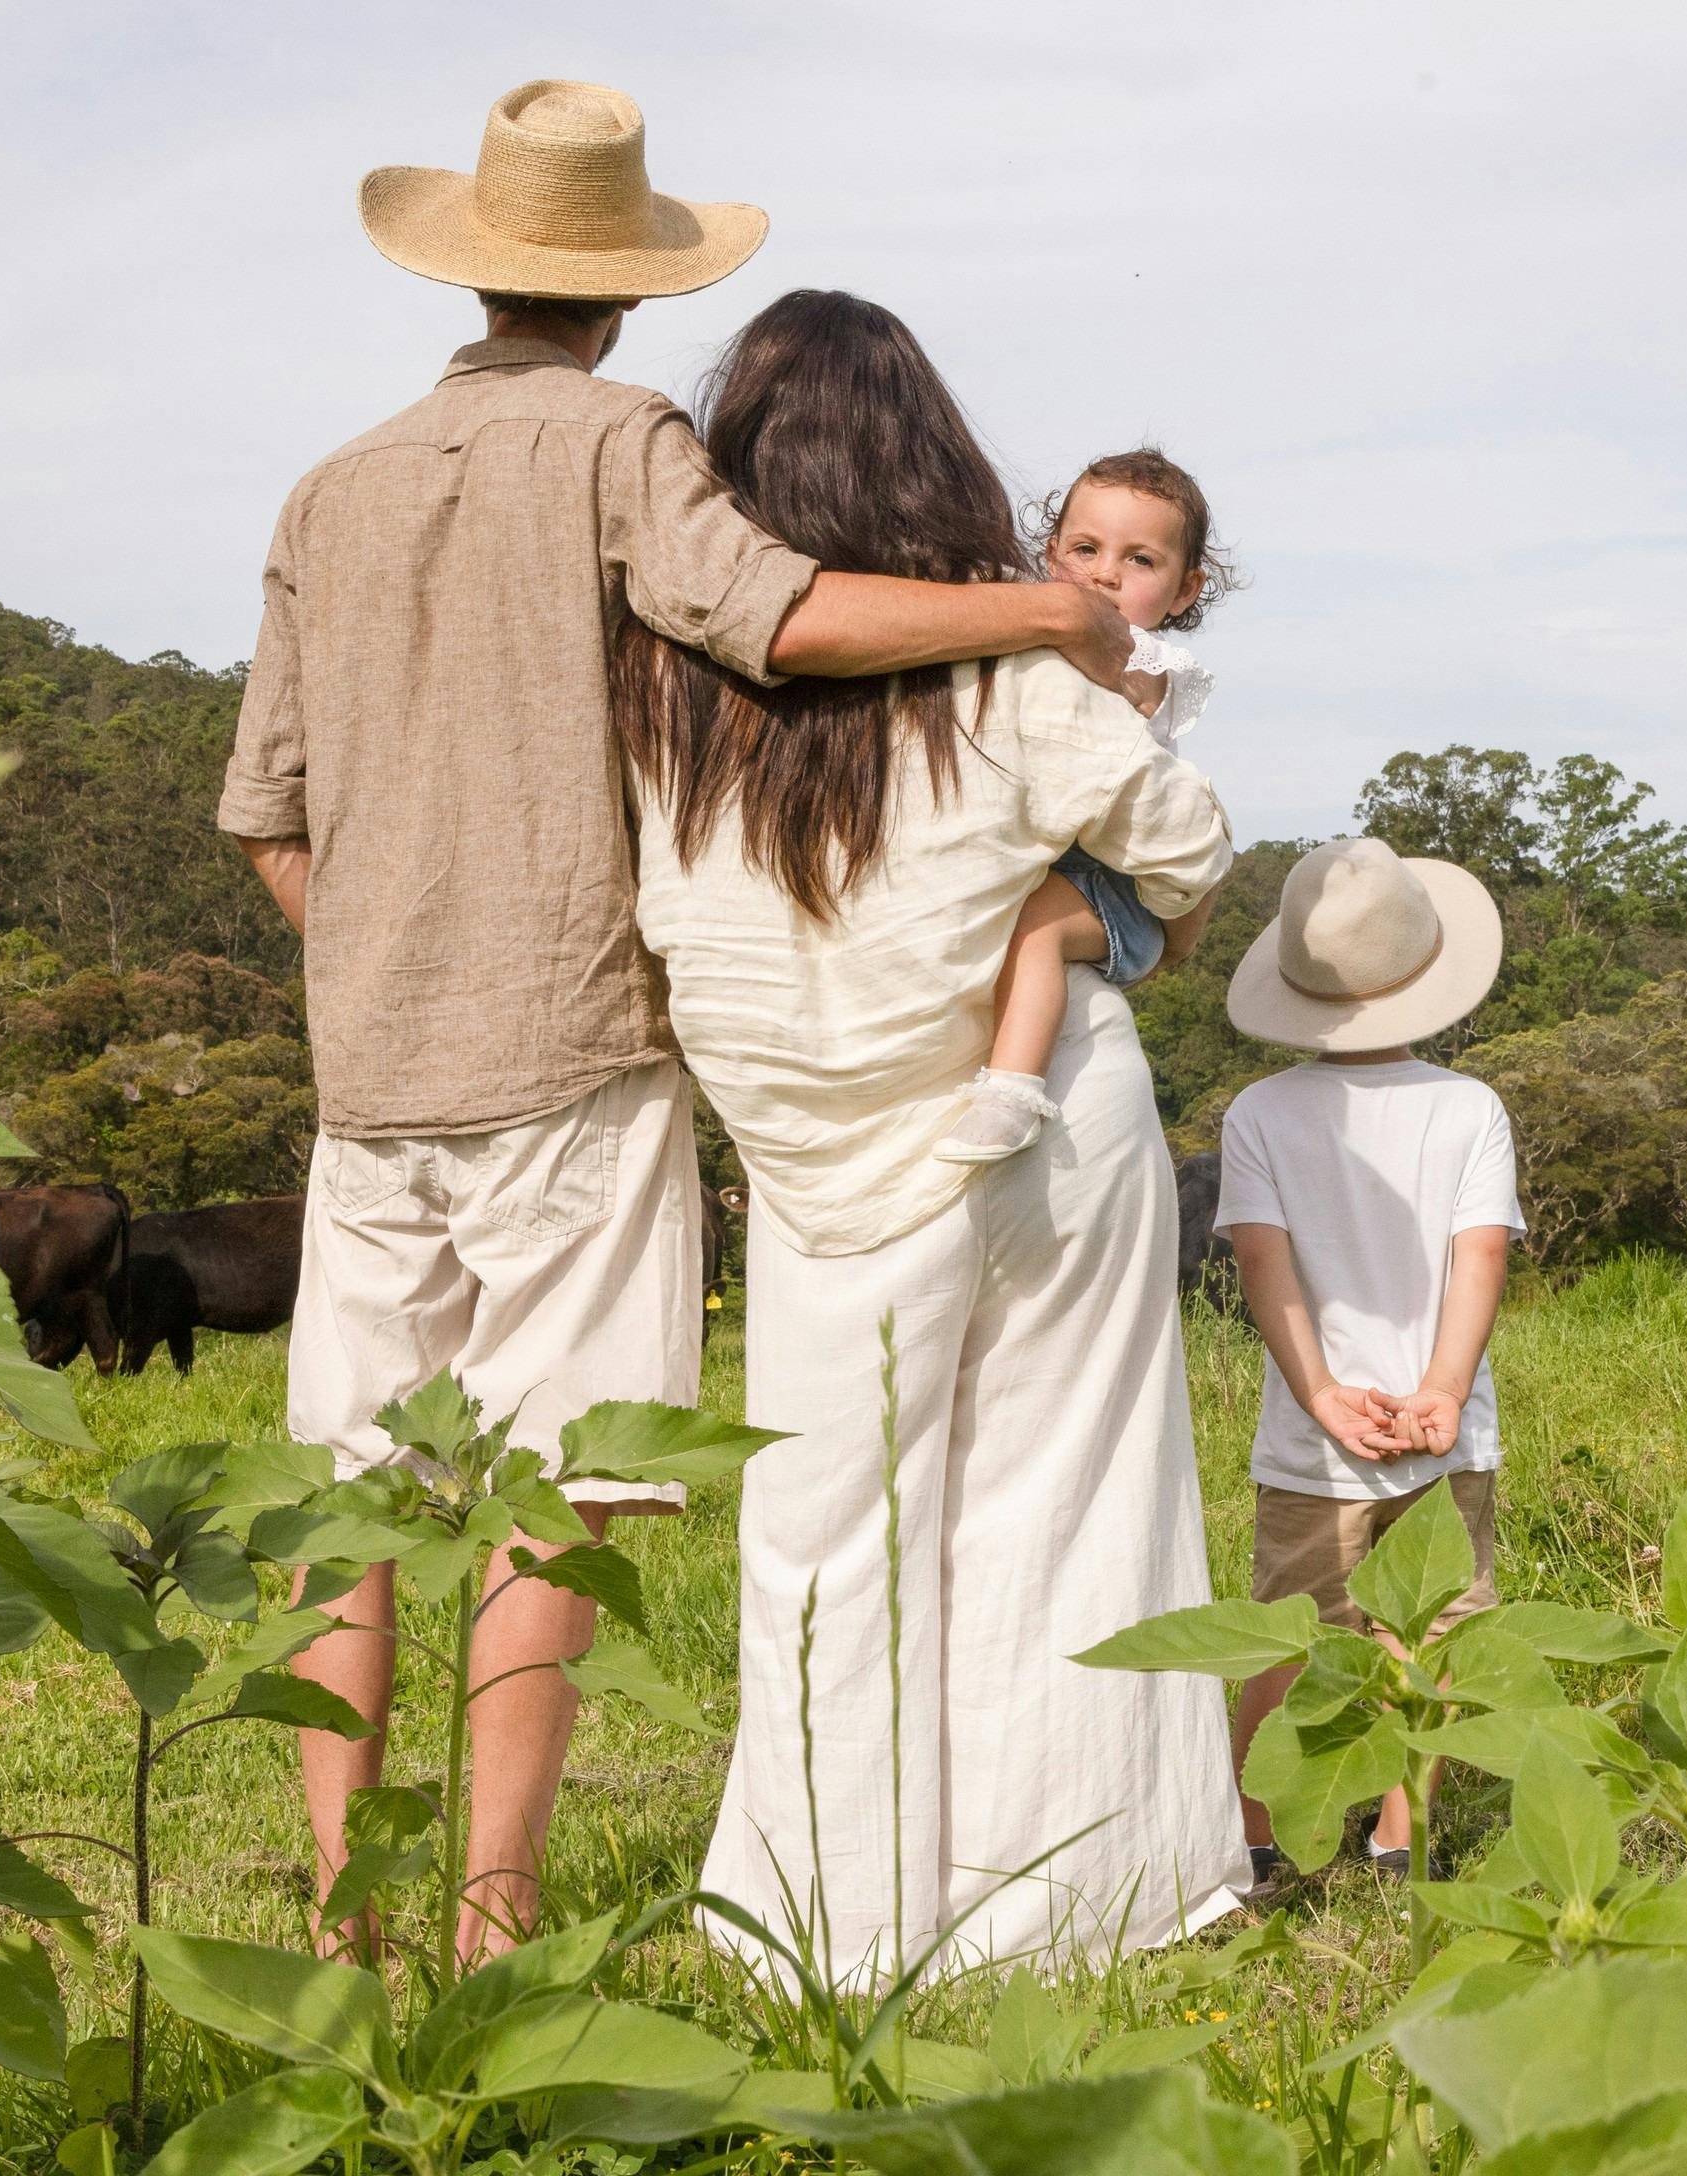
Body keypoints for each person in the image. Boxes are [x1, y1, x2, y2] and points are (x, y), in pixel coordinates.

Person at [217, 81, 1136, 1965]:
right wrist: (1040, 611)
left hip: (365, 1070)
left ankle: (333, 1909)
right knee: (558, 1486)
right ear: (620, 296)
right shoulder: (619, 439)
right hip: (568, 1046)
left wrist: (369, 966)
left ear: (471, 273)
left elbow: (265, 817)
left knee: (347, 1494)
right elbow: (770, 616)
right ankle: (491, 1903)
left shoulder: (330, 484)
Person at [615, 289, 1248, 1979]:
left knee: (822, 1533)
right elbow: (1182, 851)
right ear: (937, 460)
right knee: (1067, 1493)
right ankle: (1067, 1904)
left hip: (814, 1164)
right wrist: (1089, 916)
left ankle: (817, 1918)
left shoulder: (653, 689)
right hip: (1046, 1119)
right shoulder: (1013, 660)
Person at [1212, 838, 1521, 1887]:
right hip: (1446, 1433)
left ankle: (1259, 1839)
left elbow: (1264, 1262)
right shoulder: (1471, 1106)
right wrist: (1438, 1388)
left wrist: (1323, 1396)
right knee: (1425, 1639)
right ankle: (1401, 1836)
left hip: (1312, 1442)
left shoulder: (1258, 1113)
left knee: (1283, 1639)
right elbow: (1479, 1255)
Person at [937, 452, 1237, 1165]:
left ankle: (1012, 1091)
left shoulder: (1145, 664)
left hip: (1113, 887)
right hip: (1064, 858)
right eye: (1084, 550)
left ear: (1183, 590)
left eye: (1139, 560)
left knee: (1033, 926)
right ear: (1050, 557)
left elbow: (1104, 725)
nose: (1105, 574)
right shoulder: (1047, 622)